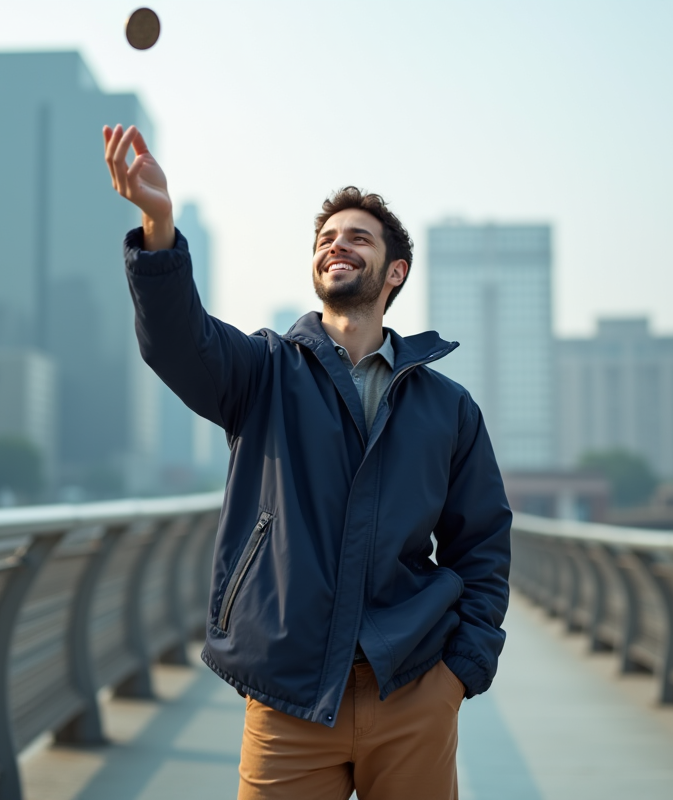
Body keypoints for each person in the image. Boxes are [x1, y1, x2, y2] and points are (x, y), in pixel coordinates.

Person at [102, 123, 511, 800]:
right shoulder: (263, 371)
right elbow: (178, 342)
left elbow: (483, 543)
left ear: (394, 271)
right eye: (325, 239)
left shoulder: (448, 407)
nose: (336, 246)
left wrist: (459, 671)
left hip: (411, 688)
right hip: (287, 695)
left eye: (357, 237)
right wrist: (158, 223)